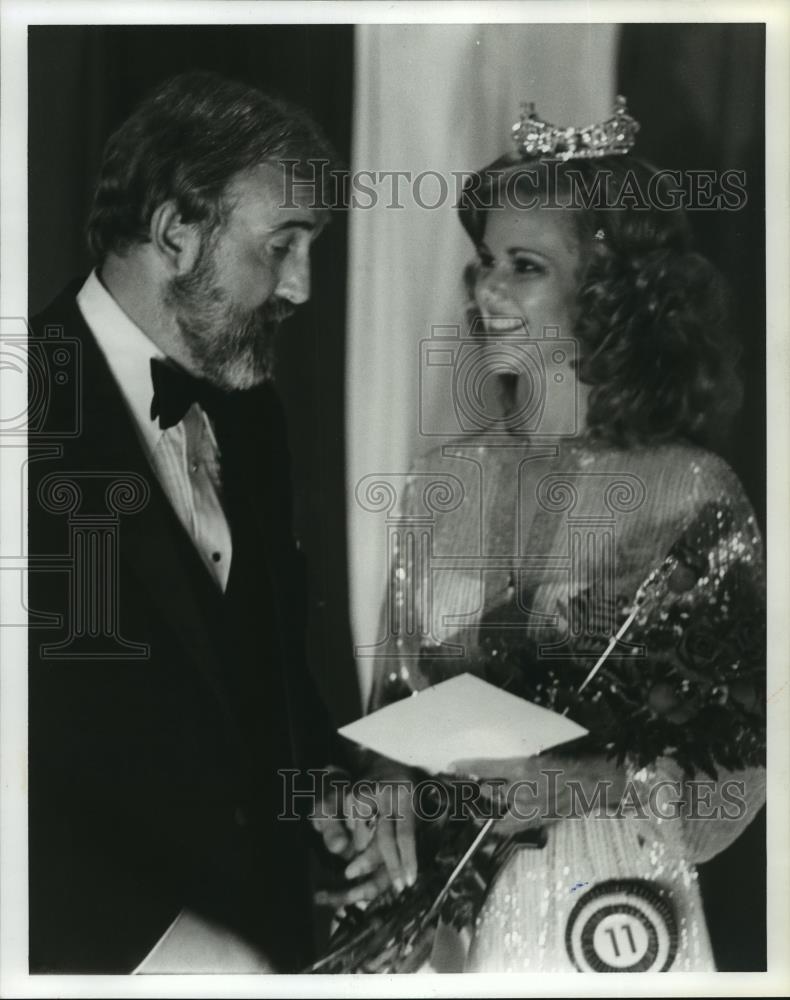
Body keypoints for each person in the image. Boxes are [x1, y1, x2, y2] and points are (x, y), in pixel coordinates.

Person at [366, 100, 766, 972]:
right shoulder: (444, 484)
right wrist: (389, 790)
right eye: (483, 264)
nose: (488, 291)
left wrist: (594, 783)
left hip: (617, 913)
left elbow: (745, 755)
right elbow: (395, 702)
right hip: (449, 919)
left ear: (609, 286)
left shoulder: (690, 491)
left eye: (525, 266)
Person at [27, 70, 372, 974]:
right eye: (283, 244)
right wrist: (148, 943)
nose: (301, 287)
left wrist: (333, 786)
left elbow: (272, 688)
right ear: (176, 230)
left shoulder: (255, 415)